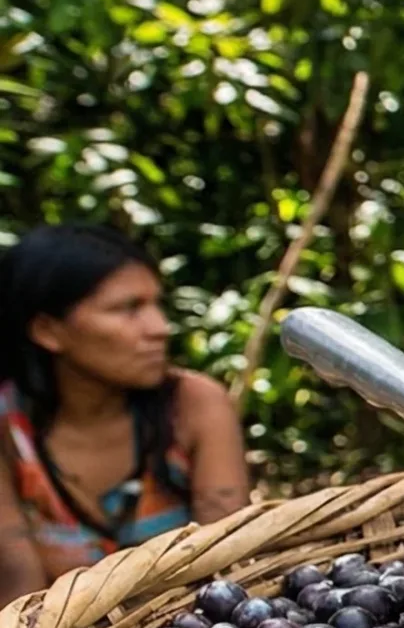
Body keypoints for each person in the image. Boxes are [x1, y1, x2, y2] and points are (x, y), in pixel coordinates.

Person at [0, 224, 249, 602]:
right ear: (47, 330)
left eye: (155, 304)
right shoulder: (8, 429)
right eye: (128, 308)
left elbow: (229, 567)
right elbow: (19, 590)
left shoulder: (194, 406)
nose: (160, 328)